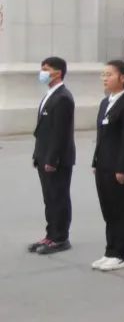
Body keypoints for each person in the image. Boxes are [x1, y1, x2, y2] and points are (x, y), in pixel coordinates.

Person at [91, 60, 124, 272]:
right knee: (108, 209)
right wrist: (95, 161)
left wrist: (123, 168)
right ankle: (110, 250)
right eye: (103, 75)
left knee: (120, 209)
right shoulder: (106, 102)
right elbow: (101, 136)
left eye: (109, 74)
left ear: (123, 78)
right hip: (103, 163)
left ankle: (122, 253)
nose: (105, 78)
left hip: (118, 166)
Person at [30, 56, 76, 255]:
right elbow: (43, 130)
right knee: (49, 198)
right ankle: (50, 234)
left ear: (58, 73)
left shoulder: (63, 97)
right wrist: (38, 155)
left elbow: (60, 133)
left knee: (59, 197)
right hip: (44, 155)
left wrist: (52, 159)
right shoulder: (50, 95)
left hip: (56, 159)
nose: (43, 72)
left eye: (46, 69)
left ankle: (60, 238)